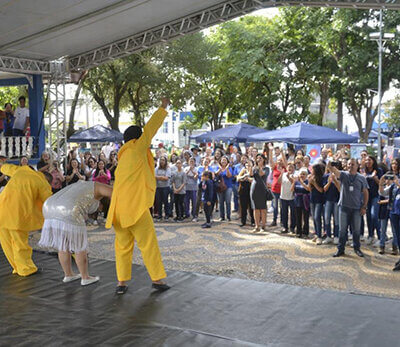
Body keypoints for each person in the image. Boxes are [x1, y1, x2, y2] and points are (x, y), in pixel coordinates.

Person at [106, 98, 170, 295]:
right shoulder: (137, 148)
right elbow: (150, 129)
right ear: (136, 139)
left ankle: (121, 284)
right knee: (148, 244)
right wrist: (163, 108)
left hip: (118, 211)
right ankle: (157, 280)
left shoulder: (122, 156)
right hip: (136, 210)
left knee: (123, 247)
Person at [39, 181, 112, 285]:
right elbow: (117, 193)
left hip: (48, 206)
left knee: (63, 245)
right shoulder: (100, 187)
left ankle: (68, 275)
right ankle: (85, 277)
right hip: (69, 209)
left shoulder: (83, 185)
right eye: (100, 209)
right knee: (79, 246)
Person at [0, 157, 52, 276]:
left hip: (1, 209)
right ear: (47, 179)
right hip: (17, 215)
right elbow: (49, 201)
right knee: (19, 243)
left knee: (6, 242)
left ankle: (16, 267)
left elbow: (5, 168)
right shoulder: (42, 182)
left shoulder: (21, 170)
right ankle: (25, 268)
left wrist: (2, 164)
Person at [328, 159, 369, 258]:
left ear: (357, 166)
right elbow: (333, 170)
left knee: (356, 230)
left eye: (353, 164)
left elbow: (365, 192)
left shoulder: (361, 178)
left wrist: (364, 206)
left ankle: (357, 248)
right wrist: (330, 164)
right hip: (343, 207)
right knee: (342, 230)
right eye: (349, 164)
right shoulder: (343, 174)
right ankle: (340, 249)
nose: (351, 166)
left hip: (356, 208)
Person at [250, 154, 270, 233]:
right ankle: (257, 225)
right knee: (256, 208)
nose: (258, 159)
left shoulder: (266, 168)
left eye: (260, 158)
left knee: (263, 208)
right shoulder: (255, 167)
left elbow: (262, 174)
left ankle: (263, 226)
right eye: (257, 158)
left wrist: (259, 166)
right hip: (254, 189)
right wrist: (253, 166)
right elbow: (251, 174)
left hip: (262, 189)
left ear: (264, 159)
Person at [323, 165, 341, 245]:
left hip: (337, 200)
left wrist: (335, 180)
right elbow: (324, 189)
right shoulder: (326, 176)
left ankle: (336, 236)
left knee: (336, 218)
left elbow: (340, 189)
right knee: (327, 218)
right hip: (328, 200)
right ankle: (328, 236)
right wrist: (330, 182)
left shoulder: (340, 176)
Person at [308, 163, 326, 245]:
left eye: (313, 169)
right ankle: (316, 234)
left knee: (317, 217)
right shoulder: (312, 177)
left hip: (319, 200)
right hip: (312, 199)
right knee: (314, 218)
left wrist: (314, 183)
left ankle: (319, 236)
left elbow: (321, 190)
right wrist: (309, 182)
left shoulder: (321, 178)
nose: (311, 171)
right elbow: (309, 189)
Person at [292, 168, 310, 238]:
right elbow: (292, 190)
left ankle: (305, 232)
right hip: (297, 200)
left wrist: (302, 182)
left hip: (305, 201)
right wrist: (294, 182)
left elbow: (308, 189)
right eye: (301, 174)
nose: (302, 175)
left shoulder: (308, 181)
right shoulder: (297, 182)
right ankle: (298, 231)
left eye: (304, 174)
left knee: (306, 217)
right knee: (298, 217)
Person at [280, 162, 296, 234]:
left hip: (292, 197)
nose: (290, 168)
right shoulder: (283, 174)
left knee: (293, 213)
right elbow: (278, 182)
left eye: (292, 167)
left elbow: (294, 182)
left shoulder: (295, 175)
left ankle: (292, 227)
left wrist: (289, 177)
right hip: (283, 196)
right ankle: (284, 227)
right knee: (284, 213)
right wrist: (281, 174)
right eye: (289, 167)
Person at [237, 159, 255, 227]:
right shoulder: (243, 170)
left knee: (251, 206)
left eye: (249, 164)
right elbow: (238, 178)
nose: (248, 166)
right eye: (247, 164)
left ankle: (253, 221)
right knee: (243, 206)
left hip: (251, 190)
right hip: (243, 190)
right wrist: (243, 177)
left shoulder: (254, 171)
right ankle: (243, 221)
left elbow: (253, 177)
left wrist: (248, 177)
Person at [216, 156, 233, 221]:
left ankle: (228, 216)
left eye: (225, 160)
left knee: (228, 202)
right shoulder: (218, 168)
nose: (223, 162)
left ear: (227, 162)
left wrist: (227, 168)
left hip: (228, 186)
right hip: (220, 187)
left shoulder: (230, 168)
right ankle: (222, 216)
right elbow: (216, 174)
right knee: (221, 202)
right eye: (222, 160)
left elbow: (229, 175)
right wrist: (220, 169)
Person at [155, 156, 171, 220]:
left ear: (165, 161)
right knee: (158, 202)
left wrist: (158, 177)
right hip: (158, 187)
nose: (162, 161)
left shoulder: (168, 169)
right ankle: (159, 215)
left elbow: (166, 178)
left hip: (165, 187)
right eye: (161, 160)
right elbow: (154, 176)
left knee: (165, 201)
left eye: (163, 160)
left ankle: (166, 215)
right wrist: (162, 177)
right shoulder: (156, 168)